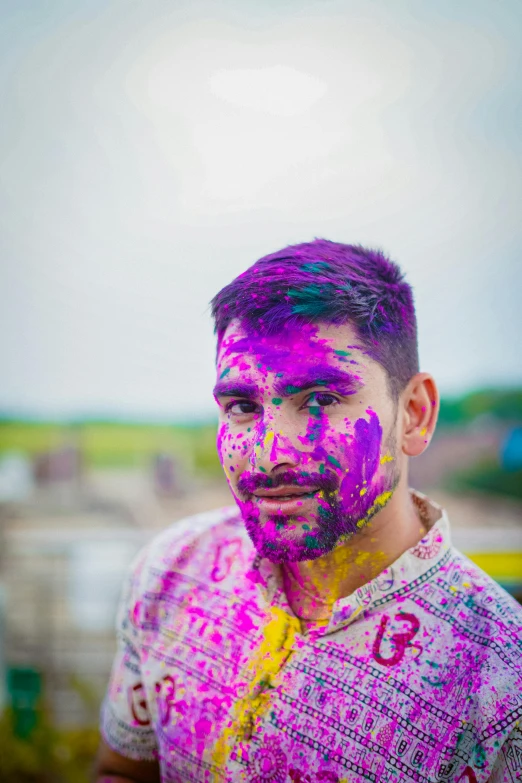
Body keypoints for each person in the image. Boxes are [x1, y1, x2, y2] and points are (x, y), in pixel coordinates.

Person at [94, 240, 522, 783]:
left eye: (320, 399)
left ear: (413, 414)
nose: (271, 454)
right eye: (243, 407)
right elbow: (124, 770)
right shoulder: (172, 569)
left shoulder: (501, 685)